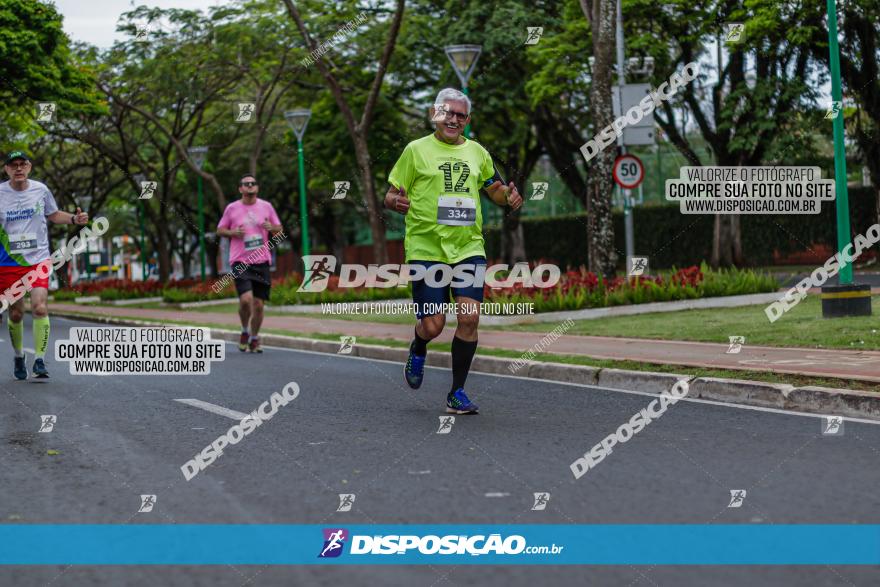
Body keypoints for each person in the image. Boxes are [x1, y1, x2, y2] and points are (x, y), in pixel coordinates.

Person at [384, 88, 523, 414]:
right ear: (436, 114)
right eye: (448, 113)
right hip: (426, 248)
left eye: (461, 115)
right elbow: (390, 195)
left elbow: (496, 190)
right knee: (434, 325)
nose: (454, 119)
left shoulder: (478, 152)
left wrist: (510, 197)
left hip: (467, 248)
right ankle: (419, 345)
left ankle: (456, 392)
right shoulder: (415, 151)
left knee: (470, 317)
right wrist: (396, 202)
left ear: (467, 120)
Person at [0, 151, 89, 379]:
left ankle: (39, 360)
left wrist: (73, 219)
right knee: (17, 313)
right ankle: (19, 356)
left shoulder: (41, 189)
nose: (18, 169)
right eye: (13, 165)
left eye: (23, 164)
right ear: (6, 169)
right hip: (9, 262)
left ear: (29, 167)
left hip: (38, 259)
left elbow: (53, 214)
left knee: (39, 307)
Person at [216, 174, 282, 353]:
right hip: (240, 261)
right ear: (240, 189)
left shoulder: (266, 207)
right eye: (246, 184)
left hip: (262, 261)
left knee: (259, 304)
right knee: (246, 300)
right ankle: (244, 330)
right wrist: (233, 232)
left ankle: (254, 338)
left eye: (253, 183)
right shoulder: (232, 208)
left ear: (257, 188)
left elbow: (279, 228)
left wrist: (272, 229)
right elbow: (220, 230)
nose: (250, 186)